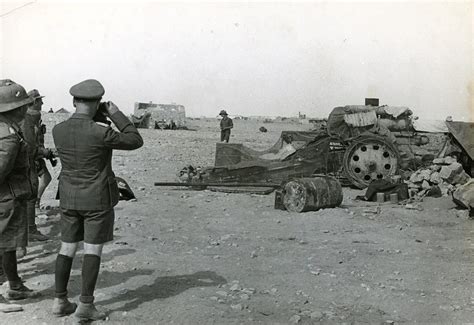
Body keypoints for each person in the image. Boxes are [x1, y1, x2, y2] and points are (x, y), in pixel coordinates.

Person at [51, 79, 143, 320]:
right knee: (92, 250)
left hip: (69, 197)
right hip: (97, 199)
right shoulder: (101, 131)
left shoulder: (58, 129)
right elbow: (135, 140)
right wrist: (115, 114)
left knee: (67, 248)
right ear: (98, 104)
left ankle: (60, 300)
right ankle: (85, 306)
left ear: (73, 101)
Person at [0, 79, 41, 301]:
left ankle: (14, 284)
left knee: (8, 244)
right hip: (7, 197)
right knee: (4, 243)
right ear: (13, 108)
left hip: (8, 195)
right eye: (22, 106)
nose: (26, 109)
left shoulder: (6, 129)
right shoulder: (8, 135)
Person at [20, 89, 50, 241]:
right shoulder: (27, 119)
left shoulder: (33, 118)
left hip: (32, 158)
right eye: (39, 100)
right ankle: (29, 230)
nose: (42, 103)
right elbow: (30, 146)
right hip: (28, 161)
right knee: (30, 195)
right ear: (34, 102)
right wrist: (45, 153)